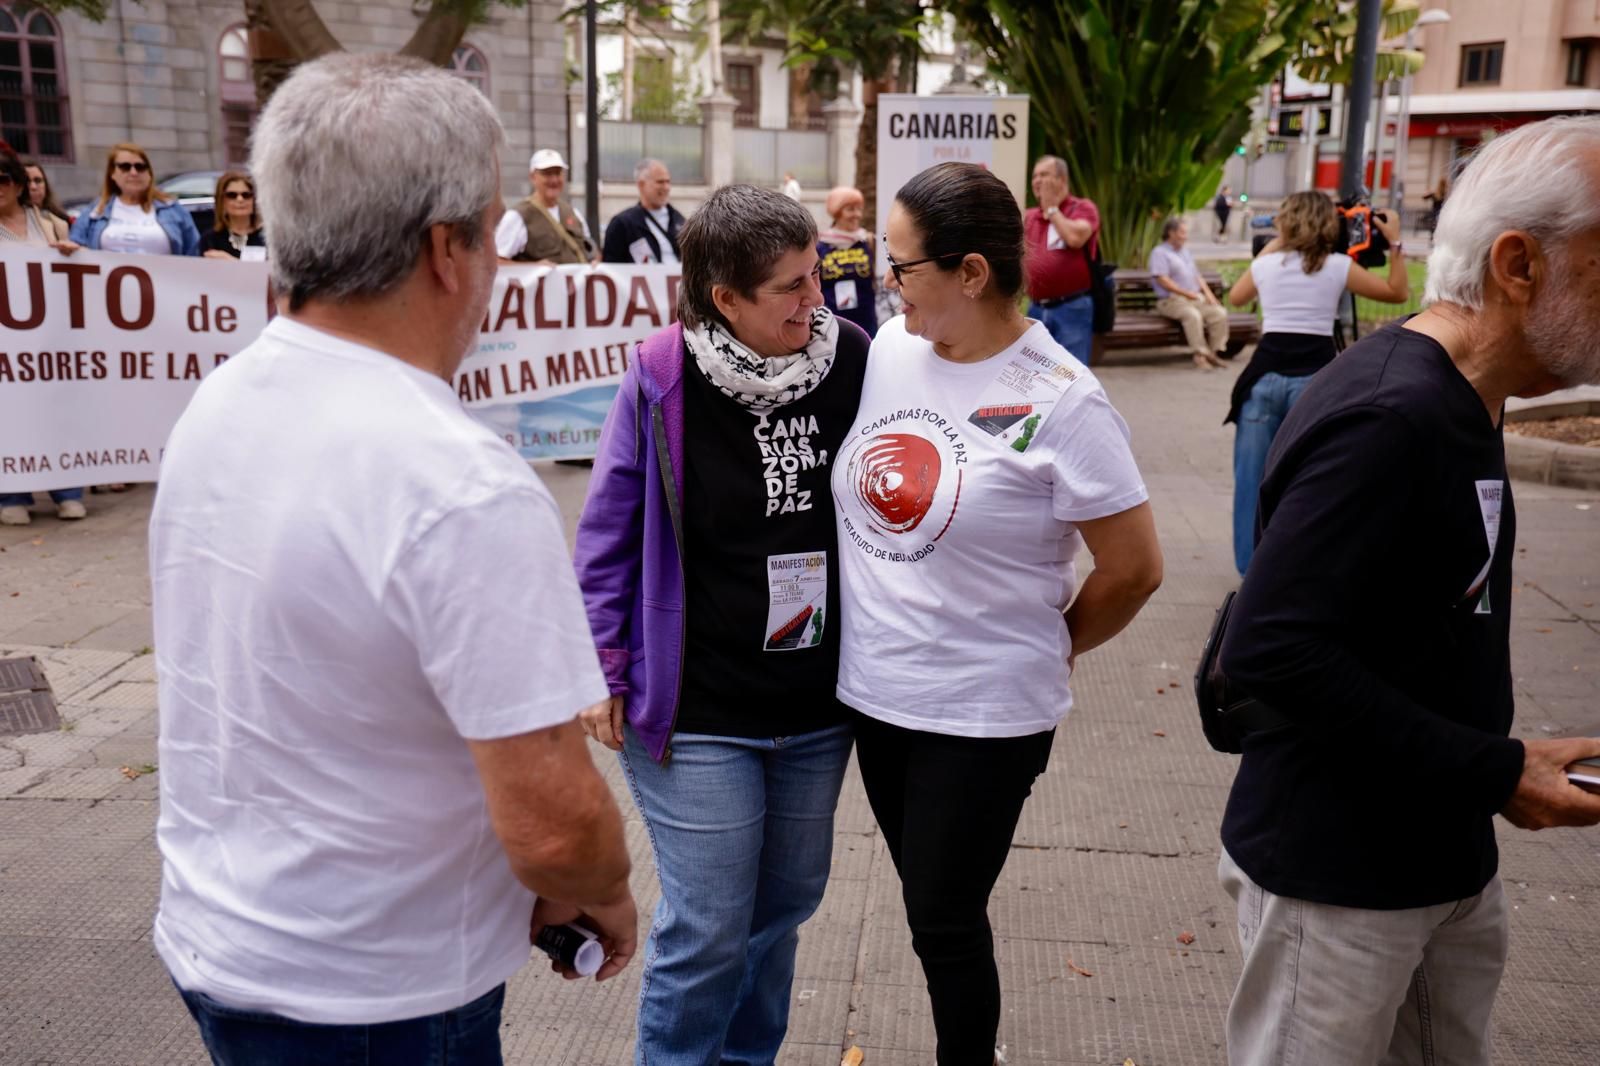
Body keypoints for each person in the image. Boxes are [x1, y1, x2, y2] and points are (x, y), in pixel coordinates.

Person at [150, 53, 637, 1066]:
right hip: (377, 992)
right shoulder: (458, 481)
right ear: (445, 250)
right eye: (492, 234)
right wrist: (602, 883)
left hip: (223, 936)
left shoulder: (223, 399)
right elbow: (555, 826)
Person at [1216, 115, 1600, 1066]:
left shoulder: (1464, 395)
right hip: (1338, 883)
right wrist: (1497, 771)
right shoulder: (1396, 414)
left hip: (1437, 860)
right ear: (1520, 264)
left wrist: (1495, 762)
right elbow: (1269, 651)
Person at [835, 162, 1164, 1066]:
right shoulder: (896, 349)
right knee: (928, 906)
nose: (882, 283)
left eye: (899, 267)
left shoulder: (1063, 399)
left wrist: (1054, 641)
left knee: (943, 918)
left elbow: (1135, 569)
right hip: (876, 697)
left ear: (971, 273)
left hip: (983, 712)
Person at [573, 183, 870, 1066]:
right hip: (697, 706)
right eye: (790, 286)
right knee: (708, 924)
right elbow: (606, 533)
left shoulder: (851, 357)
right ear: (724, 299)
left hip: (815, 708)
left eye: (813, 276)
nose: (814, 299)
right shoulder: (663, 374)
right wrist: (604, 664)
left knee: (778, 916)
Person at [1223, 191, 1409, 575]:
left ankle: (1251, 572)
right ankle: (1301, 564)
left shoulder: (1267, 265)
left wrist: (1278, 243)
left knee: (1251, 483)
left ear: (1286, 222)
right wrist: (1395, 243)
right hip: (1316, 383)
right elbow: (1398, 293)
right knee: (1312, 480)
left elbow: (1237, 298)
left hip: (1263, 379)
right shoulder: (1338, 265)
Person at [0, 143, 83, 527]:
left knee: (57, 411)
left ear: (17, 184)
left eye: (2, 179)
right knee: (10, 415)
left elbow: (78, 273)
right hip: (7, 341)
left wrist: (72, 253)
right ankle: (12, 495)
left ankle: (66, 492)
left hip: (51, 336)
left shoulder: (51, 223)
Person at [1023, 155, 1100, 365]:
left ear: (1062, 180)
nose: (1038, 180)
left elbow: (1075, 238)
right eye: (1035, 176)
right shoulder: (1029, 216)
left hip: (1071, 308)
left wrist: (1053, 210)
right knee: (1036, 373)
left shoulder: (1083, 208)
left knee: (1070, 371)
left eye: (1044, 175)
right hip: (1036, 308)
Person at [68, 142, 201, 256]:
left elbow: (195, 253)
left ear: (149, 174)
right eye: (125, 167)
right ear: (112, 174)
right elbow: (75, 247)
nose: (133, 173)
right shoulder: (95, 212)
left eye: (140, 167)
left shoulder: (173, 210)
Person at [1149, 217, 1229, 370]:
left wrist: (1210, 297)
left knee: (1219, 313)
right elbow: (1162, 279)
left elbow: (1197, 277)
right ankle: (1200, 355)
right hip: (1171, 301)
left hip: (1193, 299)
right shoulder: (1159, 253)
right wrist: (1186, 294)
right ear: (1171, 233)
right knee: (1193, 316)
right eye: (1182, 232)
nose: (1185, 236)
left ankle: (1213, 353)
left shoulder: (1185, 252)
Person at [495, 148, 596, 265]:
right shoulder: (517, 217)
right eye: (547, 174)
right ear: (533, 177)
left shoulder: (574, 213)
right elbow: (497, 262)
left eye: (558, 173)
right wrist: (534, 267)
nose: (554, 180)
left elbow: (591, 252)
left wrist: (594, 264)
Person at [816, 185, 877, 336]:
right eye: (850, 209)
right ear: (837, 212)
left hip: (865, 320)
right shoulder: (821, 244)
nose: (856, 214)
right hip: (832, 322)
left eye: (859, 209)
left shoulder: (867, 240)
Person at [600, 157, 682, 264]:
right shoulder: (622, 224)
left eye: (668, 181)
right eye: (660, 182)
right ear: (641, 185)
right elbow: (611, 267)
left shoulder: (680, 221)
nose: (666, 187)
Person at [201, 170, 266, 260]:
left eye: (246, 195)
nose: (240, 199)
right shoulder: (210, 239)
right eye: (232, 195)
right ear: (221, 201)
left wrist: (231, 261)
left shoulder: (267, 237)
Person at [21, 158, 70, 227]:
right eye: (27, 181)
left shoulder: (61, 219)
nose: (33, 187)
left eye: (38, 181)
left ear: (46, 185)